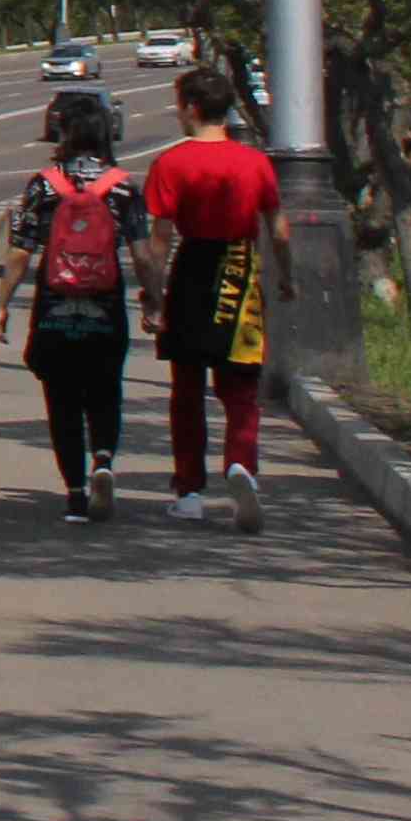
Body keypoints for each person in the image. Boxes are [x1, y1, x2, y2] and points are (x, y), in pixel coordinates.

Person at [0, 86, 146, 523]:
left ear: (63, 132)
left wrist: (2, 305)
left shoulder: (43, 186)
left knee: (60, 399)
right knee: (105, 390)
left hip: (54, 306)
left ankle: (76, 493)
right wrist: (154, 300)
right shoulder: (123, 189)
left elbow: (20, 250)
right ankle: (102, 460)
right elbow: (143, 254)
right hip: (106, 305)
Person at [141, 62, 279, 531]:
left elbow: (160, 239)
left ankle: (190, 490)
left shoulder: (171, 163)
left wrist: (154, 297)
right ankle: (241, 465)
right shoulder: (256, 162)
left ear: (193, 108)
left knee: (187, 389)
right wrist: (289, 277)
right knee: (241, 388)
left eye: (179, 103)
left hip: (192, 273)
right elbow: (276, 228)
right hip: (241, 274)